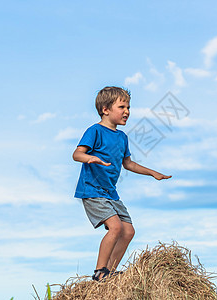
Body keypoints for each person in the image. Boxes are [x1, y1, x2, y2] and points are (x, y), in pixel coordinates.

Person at [73, 86, 172, 281]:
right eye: (122, 107)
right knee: (116, 227)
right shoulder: (95, 131)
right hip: (92, 190)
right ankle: (100, 271)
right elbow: (77, 154)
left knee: (128, 231)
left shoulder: (122, 137)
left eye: (128, 107)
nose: (127, 111)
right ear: (105, 109)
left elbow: (128, 164)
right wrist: (90, 158)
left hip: (111, 192)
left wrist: (152, 172)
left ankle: (109, 272)